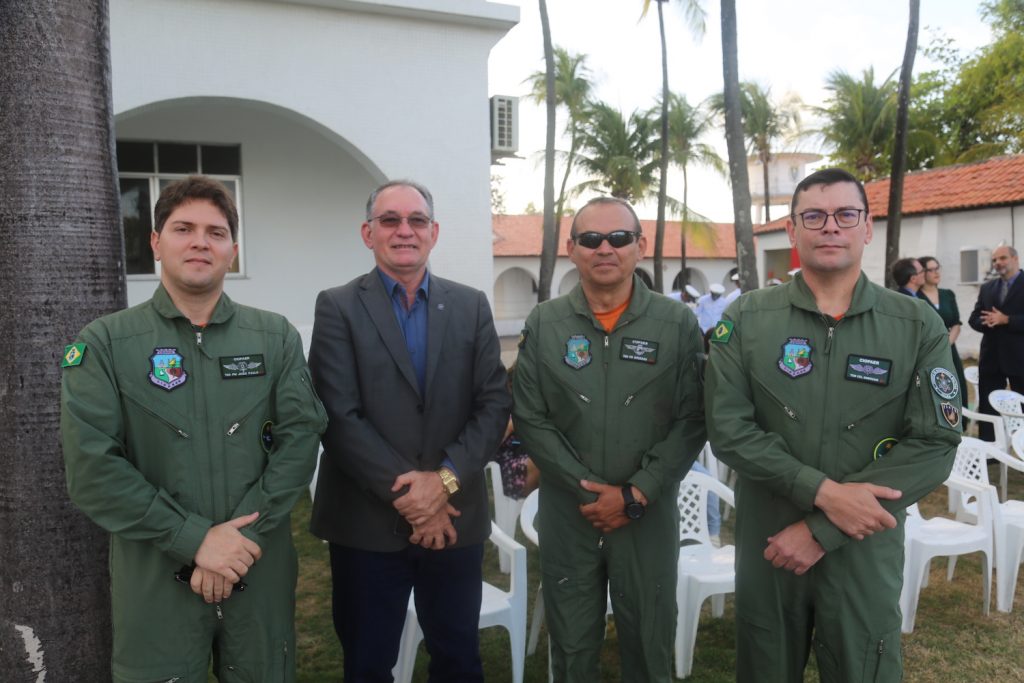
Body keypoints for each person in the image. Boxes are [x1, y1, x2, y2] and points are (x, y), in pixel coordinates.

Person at [61, 176, 327, 682]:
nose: (200, 241)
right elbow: (92, 468)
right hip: (156, 575)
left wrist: (235, 542)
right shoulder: (106, 344)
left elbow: (300, 439)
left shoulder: (274, 337)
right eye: (183, 228)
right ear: (156, 242)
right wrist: (194, 539)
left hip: (258, 564)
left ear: (233, 250)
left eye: (216, 231)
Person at [704, 168, 960, 683]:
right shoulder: (748, 318)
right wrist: (822, 491)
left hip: (865, 545)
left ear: (867, 229)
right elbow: (728, 428)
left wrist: (823, 527)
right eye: (813, 216)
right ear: (793, 231)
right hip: (771, 543)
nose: (830, 227)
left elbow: (935, 442)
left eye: (846, 214)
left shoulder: (914, 325)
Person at [308, 180, 510, 681]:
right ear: (368, 232)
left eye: (416, 220)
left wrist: (439, 485)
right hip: (366, 526)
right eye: (390, 220)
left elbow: (492, 405)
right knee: (368, 662)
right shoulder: (336, 307)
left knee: (459, 658)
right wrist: (413, 497)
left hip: (454, 519)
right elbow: (337, 414)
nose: (404, 230)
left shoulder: (471, 305)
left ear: (433, 232)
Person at [513, 196, 706, 682]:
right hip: (569, 513)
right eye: (591, 239)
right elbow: (531, 418)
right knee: (573, 645)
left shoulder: (676, 323)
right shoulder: (545, 323)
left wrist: (635, 493)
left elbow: (692, 417)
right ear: (572, 249)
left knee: (649, 639)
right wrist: (588, 490)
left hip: (646, 513)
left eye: (619, 238)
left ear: (640, 246)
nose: (605, 248)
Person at [968, 244, 1024, 441]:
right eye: (994, 260)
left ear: (1015, 259)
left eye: (1002, 258)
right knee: (988, 406)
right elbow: (973, 318)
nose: (997, 263)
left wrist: (1007, 320)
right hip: (992, 358)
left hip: (1020, 358)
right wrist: (988, 321)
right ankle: (990, 450)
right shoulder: (987, 288)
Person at [917, 256, 968, 412]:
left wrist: (946, 344)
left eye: (937, 268)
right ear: (922, 273)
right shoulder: (916, 297)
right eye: (930, 269)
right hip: (929, 350)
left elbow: (956, 323)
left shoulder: (947, 294)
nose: (936, 272)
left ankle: (961, 422)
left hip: (949, 347)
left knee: (956, 383)